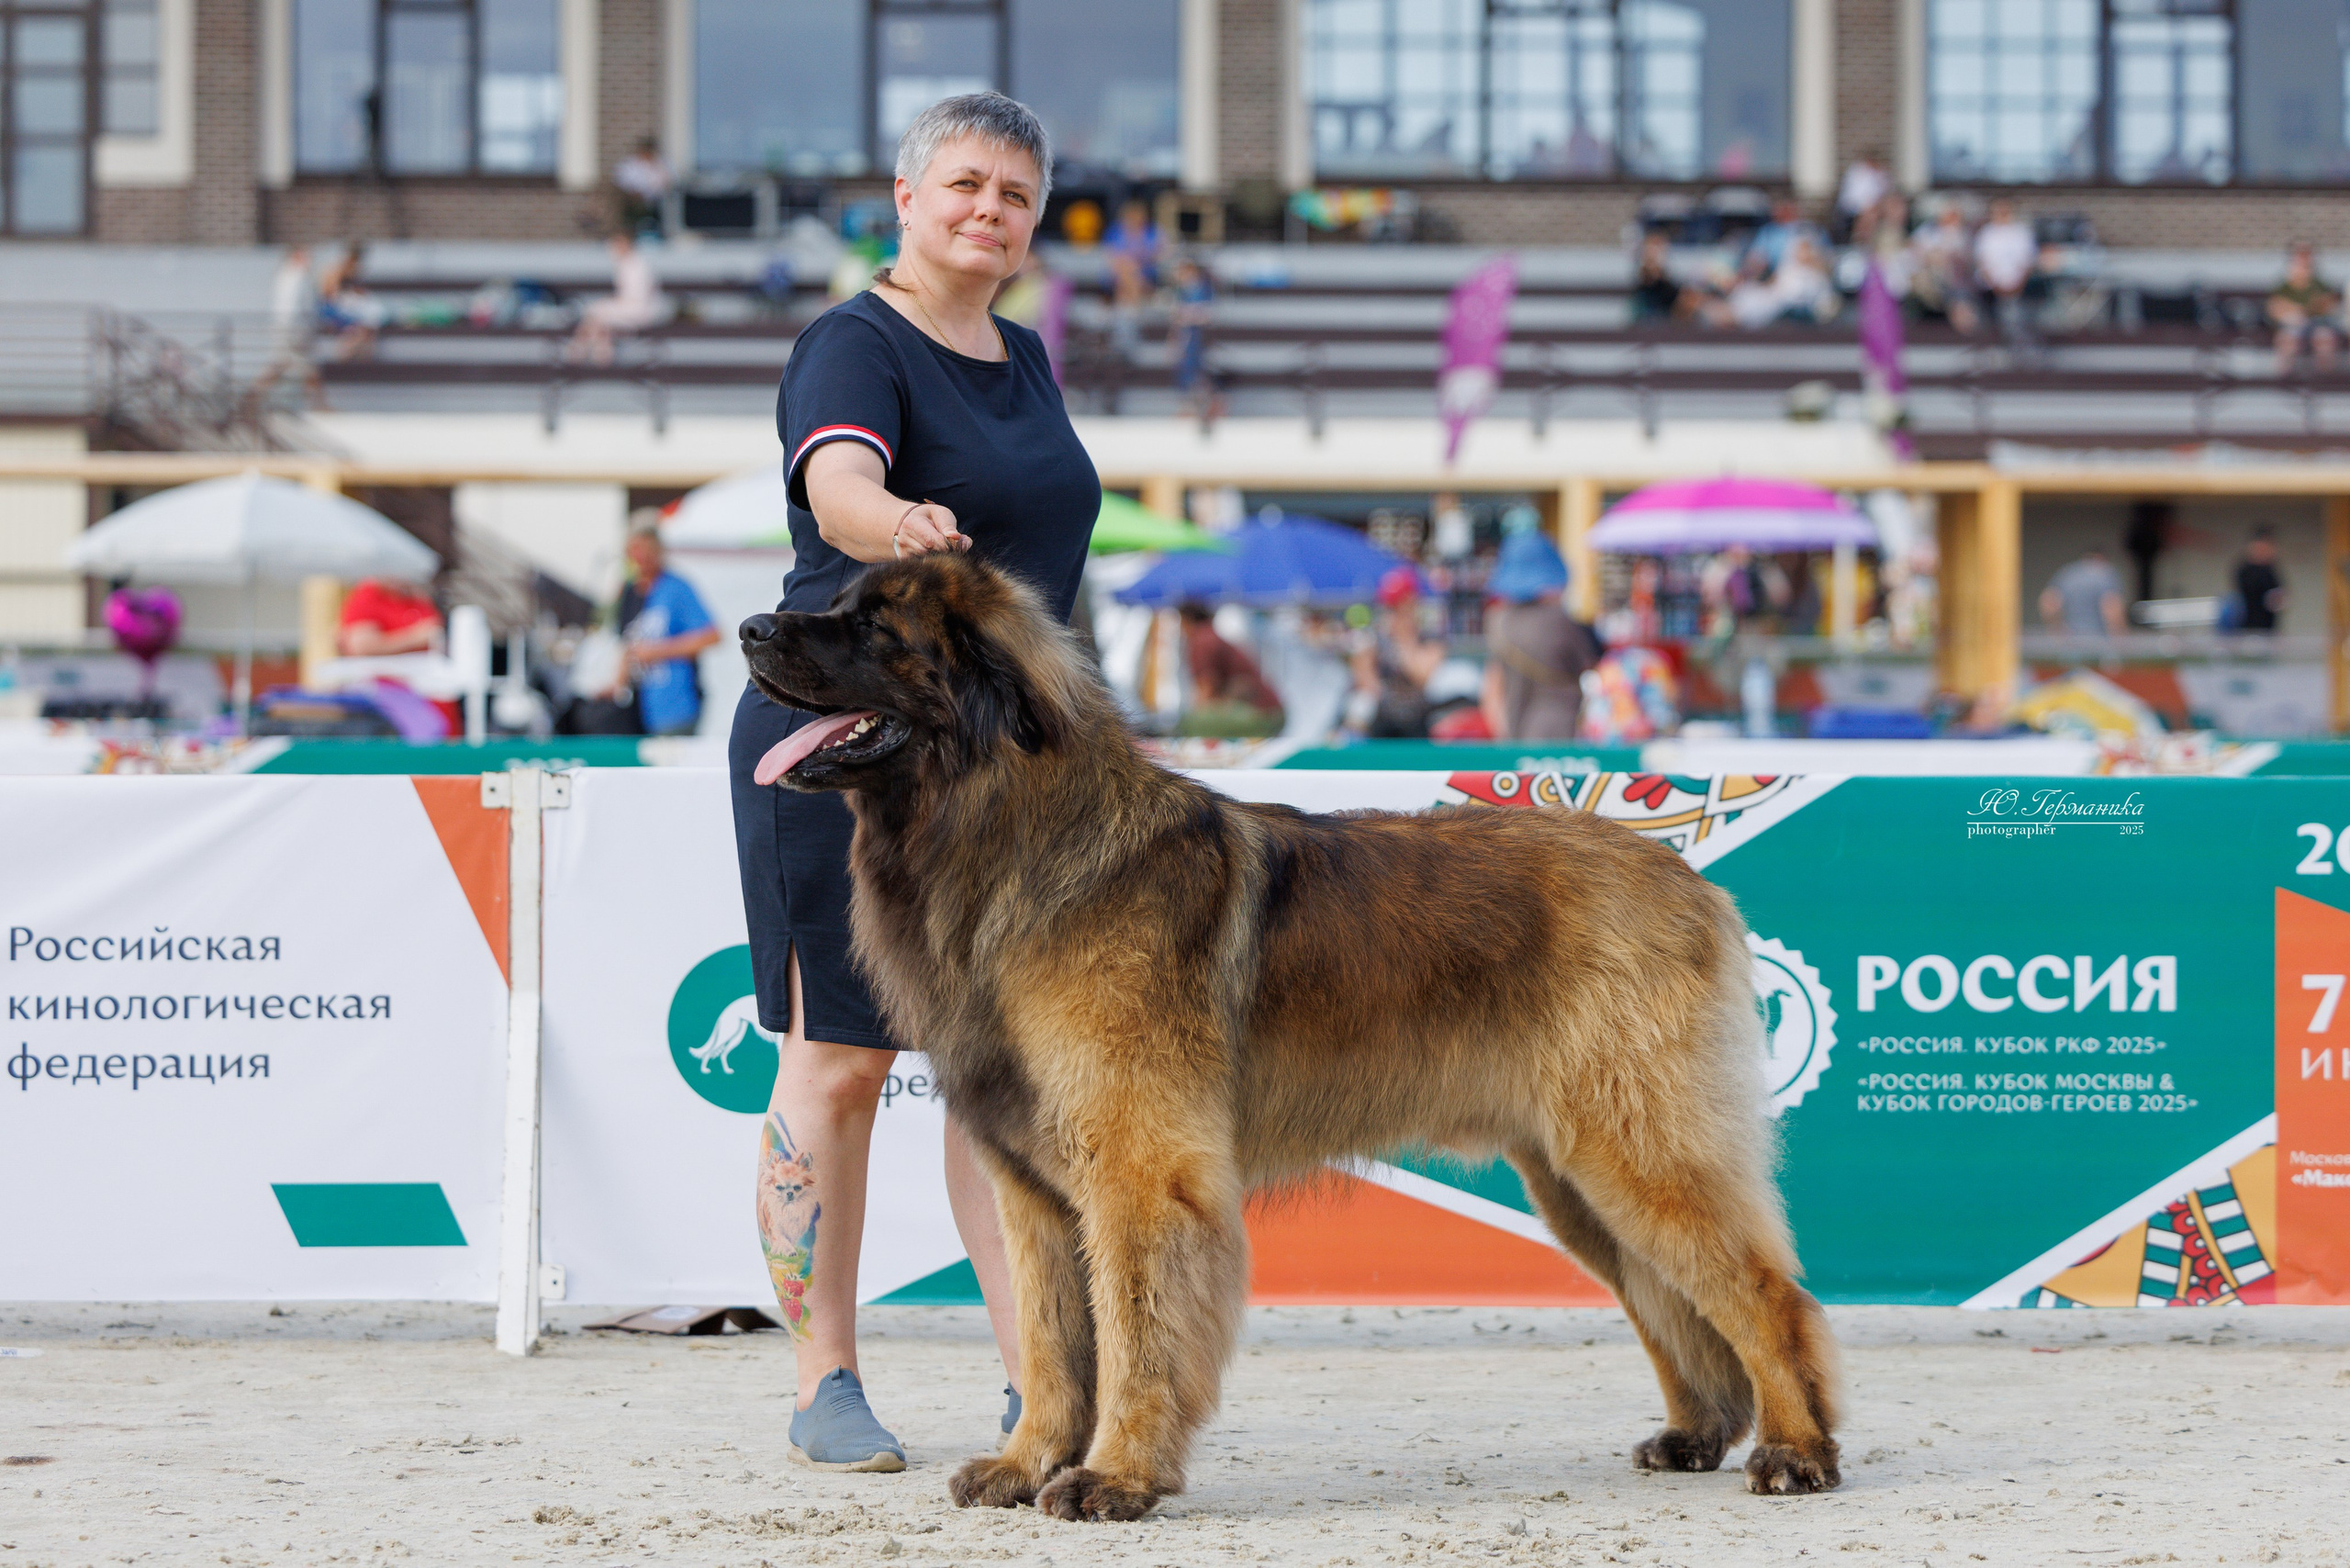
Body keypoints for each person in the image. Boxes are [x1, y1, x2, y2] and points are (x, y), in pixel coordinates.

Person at [727, 92, 1097, 1473]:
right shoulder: (851, 343)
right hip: (843, 746)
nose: (987, 211)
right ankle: (825, 1383)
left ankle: (1038, 1386)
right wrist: (906, 531)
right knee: (838, 1060)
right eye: (964, 185)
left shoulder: (1026, 354)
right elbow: (840, 492)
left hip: (998, 776)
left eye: (1013, 192)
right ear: (903, 194)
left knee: (997, 1072)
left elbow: (1052, 585)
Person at [1478, 527, 1597, 742]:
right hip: (1562, 735)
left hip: (1515, 733)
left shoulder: (1497, 621)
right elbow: (1592, 666)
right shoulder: (1559, 621)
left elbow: (1491, 690)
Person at [617, 521, 719, 736]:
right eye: (636, 551)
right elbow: (626, 643)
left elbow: (711, 636)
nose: (641, 558)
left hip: (675, 706)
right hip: (637, 709)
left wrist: (658, 651)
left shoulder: (676, 588)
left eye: (647, 551)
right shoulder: (629, 592)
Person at [1176, 602, 1284, 737]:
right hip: (1269, 712)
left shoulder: (1202, 640)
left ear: (1186, 619)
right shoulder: (1211, 635)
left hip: (1260, 715)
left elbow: (1206, 690)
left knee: (1193, 723)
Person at [568, 232, 669, 364]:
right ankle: (600, 354)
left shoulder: (635, 265)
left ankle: (580, 353)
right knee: (599, 317)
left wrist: (614, 302)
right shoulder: (629, 264)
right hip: (638, 308)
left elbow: (636, 297)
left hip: (641, 310)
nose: (611, 251)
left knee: (596, 312)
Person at [1973, 199, 2041, 347]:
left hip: (2019, 288)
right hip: (1992, 289)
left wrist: (2017, 286)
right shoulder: (1986, 234)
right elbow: (1982, 264)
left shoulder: (2022, 233)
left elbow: (2028, 262)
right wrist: (1998, 287)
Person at [2266, 241, 2340, 378]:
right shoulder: (2285, 286)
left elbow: (2328, 306)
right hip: (2292, 325)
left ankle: (2324, 381)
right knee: (2288, 339)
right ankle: (2285, 380)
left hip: (2317, 324)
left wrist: (2308, 310)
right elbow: (2275, 308)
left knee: (2324, 339)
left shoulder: (2320, 284)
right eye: (2300, 257)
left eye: (2307, 257)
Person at [1909, 205, 1980, 333]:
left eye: (1955, 216)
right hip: (1932, 280)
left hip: (1957, 281)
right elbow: (1916, 251)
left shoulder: (1964, 234)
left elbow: (1969, 258)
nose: (1952, 219)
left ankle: (1965, 325)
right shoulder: (1927, 231)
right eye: (1949, 215)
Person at [1168, 253, 1221, 420]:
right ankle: (1190, 406)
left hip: (1200, 338)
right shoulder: (1182, 292)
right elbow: (1176, 319)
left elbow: (1207, 313)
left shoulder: (1204, 289)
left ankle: (1206, 406)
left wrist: (1188, 314)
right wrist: (1172, 342)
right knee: (1185, 372)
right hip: (1187, 338)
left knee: (1198, 372)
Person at [338, 575, 442, 655]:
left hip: (425, 670)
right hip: (381, 676)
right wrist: (414, 638)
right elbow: (361, 646)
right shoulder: (369, 594)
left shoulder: (416, 595)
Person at [2039, 545, 2125, 638]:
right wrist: (2120, 638)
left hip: (2071, 641)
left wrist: (2057, 632)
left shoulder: (2067, 573)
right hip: (2098, 641)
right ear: (2101, 558)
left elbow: (2048, 603)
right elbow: (2111, 607)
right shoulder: (2105, 574)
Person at [317, 243, 384, 361]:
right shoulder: (337, 269)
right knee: (361, 329)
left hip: (346, 309)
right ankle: (342, 357)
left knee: (368, 330)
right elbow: (329, 295)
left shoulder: (350, 270)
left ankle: (359, 361)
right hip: (333, 310)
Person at [610, 135, 672, 235]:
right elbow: (622, 183)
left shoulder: (662, 164)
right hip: (635, 202)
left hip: (657, 202)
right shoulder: (630, 165)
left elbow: (668, 182)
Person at [2233, 529, 2287, 633]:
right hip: (2248, 627)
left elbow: (2279, 597)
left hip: (2268, 628)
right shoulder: (2246, 570)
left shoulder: (2271, 570)